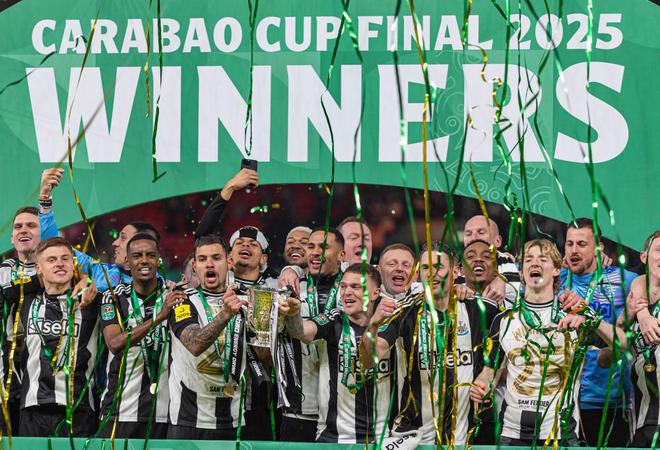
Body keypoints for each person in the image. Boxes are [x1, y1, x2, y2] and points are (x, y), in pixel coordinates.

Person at [471, 239, 626, 447]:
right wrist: (481, 387)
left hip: (560, 434)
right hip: (511, 434)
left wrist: (594, 322)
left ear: (556, 270)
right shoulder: (504, 320)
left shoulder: (574, 316)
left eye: (542, 259)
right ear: (521, 271)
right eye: (529, 260)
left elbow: (623, 345)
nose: (535, 263)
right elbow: (489, 375)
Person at [390, 242, 500, 445]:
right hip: (417, 439)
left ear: (455, 271)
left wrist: (489, 372)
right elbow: (375, 349)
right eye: (425, 267)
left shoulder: (480, 310)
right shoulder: (404, 314)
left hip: (467, 438)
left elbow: (510, 331)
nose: (431, 273)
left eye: (438, 267)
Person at [283, 264, 397, 443]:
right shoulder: (334, 319)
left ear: (375, 293)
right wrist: (293, 314)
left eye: (356, 287)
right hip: (332, 437)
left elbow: (369, 360)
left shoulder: (390, 322)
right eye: (343, 286)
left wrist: (374, 324)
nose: (347, 292)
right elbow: (300, 332)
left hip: (380, 438)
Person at [3, 237, 99, 437]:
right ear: (38, 267)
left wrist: (86, 278)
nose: (59, 264)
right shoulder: (25, 302)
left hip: (79, 408)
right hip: (32, 408)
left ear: (73, 264)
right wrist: (82, 276)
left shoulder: (92, 301)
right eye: (51, 260)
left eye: (65, 259)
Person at [561, 218, 637, 446]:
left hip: (611, 401)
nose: (574, 250)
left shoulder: (623, 280)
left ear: (598, 248)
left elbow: (649, 285)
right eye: (569, 244)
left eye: (582, 244)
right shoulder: (557, 279)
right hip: (563, 400)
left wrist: (641, 314)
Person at [167, 235, 249, 439]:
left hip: (233, 419)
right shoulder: (182, 299)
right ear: (195, 266)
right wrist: (225, 315)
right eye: (202, 259)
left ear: (229, 262)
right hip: (188, 420)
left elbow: (263, 358)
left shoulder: (246, 301)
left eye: (216, 258)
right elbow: (194, 344)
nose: (209, 264)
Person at [98, 233, 179, 438]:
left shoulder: (173, 295)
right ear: (127, 262)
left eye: (150, 255)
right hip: (120, 410)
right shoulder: (113, 297)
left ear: (158, 259)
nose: (144, 260)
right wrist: (159, 317)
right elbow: (114, 343)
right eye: (137, 256)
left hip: (165, 413)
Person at [38, 167, 161, 292]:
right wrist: (45, 197)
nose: (115, 243)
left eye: (123, 238)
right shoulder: (102, 273)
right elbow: (52, 245)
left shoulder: (163, 290)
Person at [277, 227, 345, 442]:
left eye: (323, 247)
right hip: (298, 409)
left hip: (343, 410)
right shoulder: (290, 288)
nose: (315, 252)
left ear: (341, 255)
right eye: (311, 246)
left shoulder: (352, 289)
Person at [0, 206, 42, 433]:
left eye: (31, 225)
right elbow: (9, 292)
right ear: (12, 237)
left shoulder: (64, 269)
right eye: (18, 227)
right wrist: (40, 281)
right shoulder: (4, 271)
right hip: (9, 373)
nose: (23, 230)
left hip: (47, 374)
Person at [622, 231, 660, 447]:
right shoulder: (636, 298)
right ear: (644, 257)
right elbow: (609, 351)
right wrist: (637, 315)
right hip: (644, 418)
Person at [461, 215, 520, 305]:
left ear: (498, 241)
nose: (474, 238)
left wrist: (504, 281)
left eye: (481, 232)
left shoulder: (514, 265)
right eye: (468, 234)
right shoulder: (453, 268)